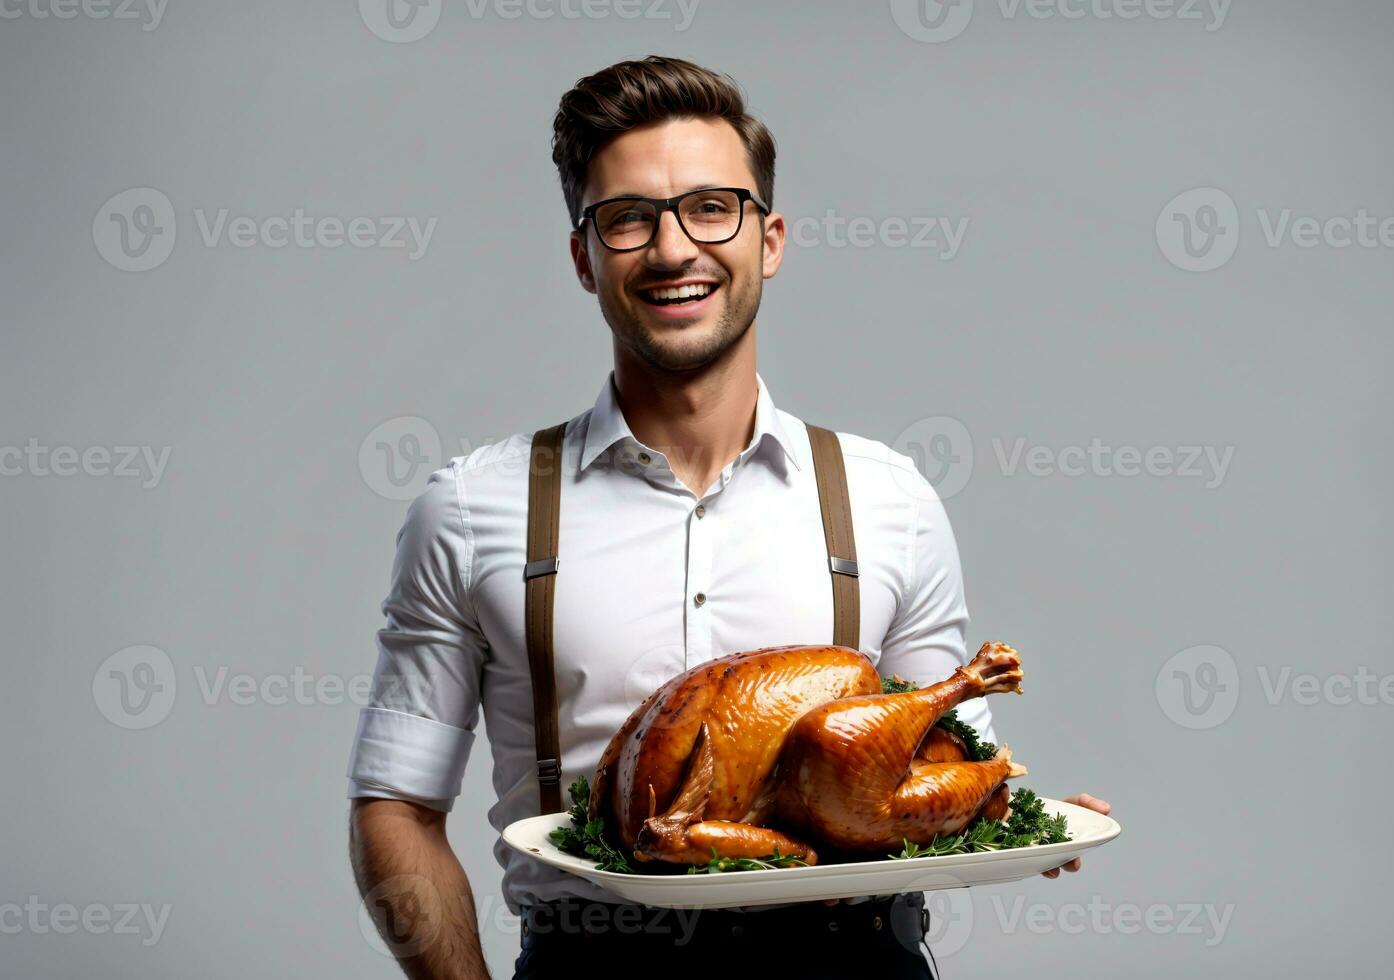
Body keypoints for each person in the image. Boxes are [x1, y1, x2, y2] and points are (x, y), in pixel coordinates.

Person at [346, 55, 1112, 980]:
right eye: (629, 218)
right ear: (584, 257)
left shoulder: (888, 499)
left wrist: (1007, 816)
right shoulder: (472, 510)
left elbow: (942, 750)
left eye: (713, 208)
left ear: (770, 239)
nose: (674, 250)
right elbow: (396, 802)